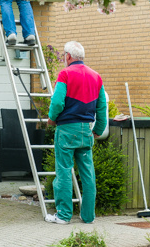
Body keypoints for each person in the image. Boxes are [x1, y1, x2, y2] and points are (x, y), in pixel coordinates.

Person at [45, 41, 107, 224]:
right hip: (86, 131)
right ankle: (88, 216)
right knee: (88, 174)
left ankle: (63, 216)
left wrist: (51, 118)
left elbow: (57, 102)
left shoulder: (65, 74)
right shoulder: (96, 77)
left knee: (63, 172)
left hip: (66, 130)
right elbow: (102, 108)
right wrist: (98, 130)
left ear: (68, 56)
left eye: (64, 55)